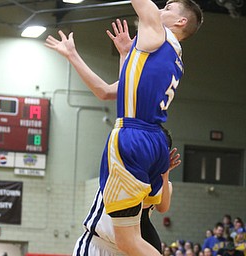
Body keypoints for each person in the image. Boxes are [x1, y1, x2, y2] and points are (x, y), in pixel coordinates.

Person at [46, 0, 202, 254]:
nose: (161, 9)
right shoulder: (170, 57)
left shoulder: (159, 33)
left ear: (180, 22)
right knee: (131, 238)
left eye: (169, 7)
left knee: (127, 240)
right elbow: (107, 92)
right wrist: (79, 55)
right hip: (154, 140)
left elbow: (143, 6)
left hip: (134, 135)